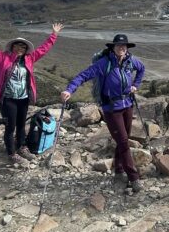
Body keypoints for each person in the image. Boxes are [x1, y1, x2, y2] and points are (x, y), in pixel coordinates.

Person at [61, 34, 146, 193]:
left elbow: (141, 69)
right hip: (111, 108)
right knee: (123, 141)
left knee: (123, 140)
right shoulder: (104, 63)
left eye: (124, 46)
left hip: (127, 104)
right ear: (112, 48)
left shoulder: (129, 61)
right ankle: (133, 177)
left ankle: (119, 170)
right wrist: (69, 90)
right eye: (119, 46)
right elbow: (83, 75)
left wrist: (136, 85)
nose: (122, 48)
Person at [0, 20, 63, 166]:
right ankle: (12, 153)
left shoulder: (29, 59)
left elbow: (43, 49)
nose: (20, 48)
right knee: (10, 127)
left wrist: (54, 35)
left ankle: (22, 146)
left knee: (21, 125)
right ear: (12, 46)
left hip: (23, 99)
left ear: (26, 49)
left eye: (23, 46)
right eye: (17, 45)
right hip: (8, 99)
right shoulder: (1, 58)